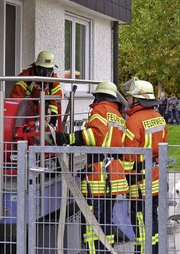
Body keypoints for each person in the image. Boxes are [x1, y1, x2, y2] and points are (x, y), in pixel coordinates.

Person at [53, 82, 129, 252]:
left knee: (91, 219)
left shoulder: (100, 110)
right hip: (114, 174)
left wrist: (68, 138)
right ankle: (105, 250)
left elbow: (94, 136)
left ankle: (93, 251)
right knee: (106, 219)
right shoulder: (117, 114)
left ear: (99, 96)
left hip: (100, 175)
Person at [121, 77, 168, 254]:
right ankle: (154, 250)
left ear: (137, 100)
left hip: (139, 181)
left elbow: (129, 155)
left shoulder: (133, 121)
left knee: (139, 220)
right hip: (156, 178)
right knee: (153, 218)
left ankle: (142, 251)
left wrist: (123, 179)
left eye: (130, 97)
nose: (127, 100)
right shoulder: (159, 118)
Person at [10, 51, 63, 128]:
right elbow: (15, 98)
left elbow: (55, 103)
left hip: (42, 109)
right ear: (36, 67)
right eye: (42, 71)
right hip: (25, 109)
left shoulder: (53, 81)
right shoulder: (26, 77)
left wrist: (53, 120)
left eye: (48, 72)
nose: (45, 75)